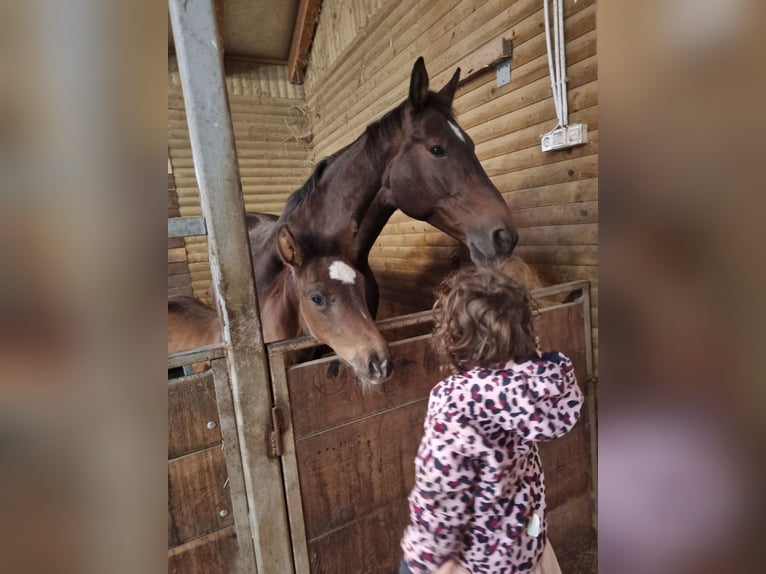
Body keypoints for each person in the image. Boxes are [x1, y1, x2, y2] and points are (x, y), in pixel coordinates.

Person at [399, 266, 583, 574]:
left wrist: (424, 557)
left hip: (478, 561)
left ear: (455, 336)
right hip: (529, 550)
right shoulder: (536, 387)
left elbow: (442, 490)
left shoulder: (454, 401)